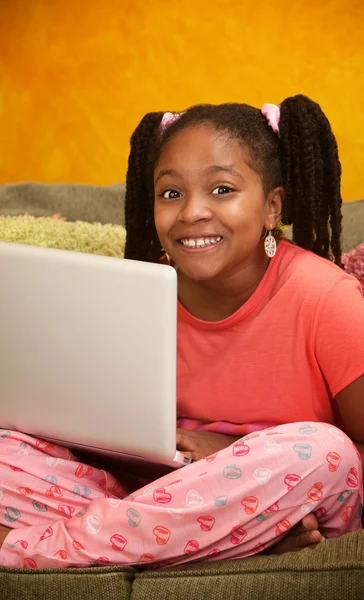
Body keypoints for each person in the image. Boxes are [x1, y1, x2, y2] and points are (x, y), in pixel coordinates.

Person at [1, 95, 364, 569]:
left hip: (279, 489)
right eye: (171, 194)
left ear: (273, 206)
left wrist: (232, 454)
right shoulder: (131, 292)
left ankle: (25, 548)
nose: (192, 212)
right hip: (150, 490)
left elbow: (354, 455)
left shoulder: (325, 297)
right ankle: (228, 544)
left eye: (221, 189)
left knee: (328, 452)